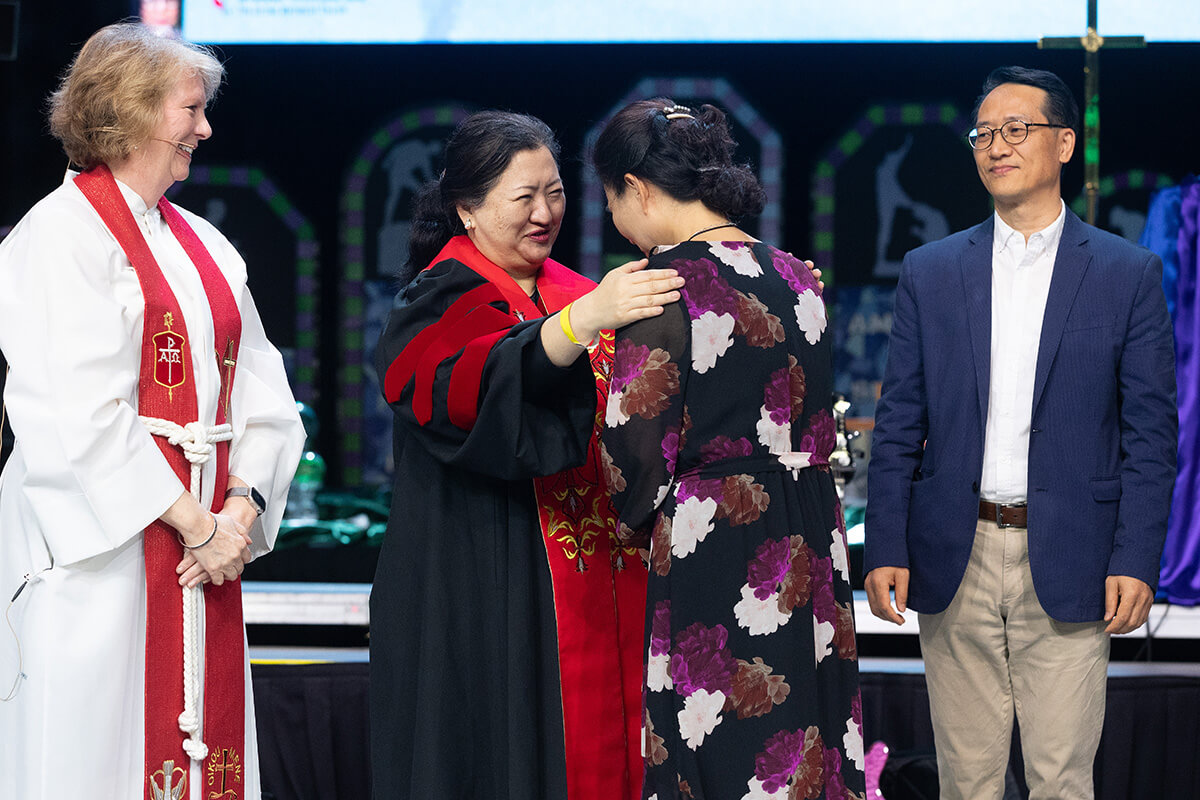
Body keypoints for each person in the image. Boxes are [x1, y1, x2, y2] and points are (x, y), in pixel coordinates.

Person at [0, 23, 305, 800]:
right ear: (131, 112)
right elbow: (76, 417)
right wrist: (199, 527)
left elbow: (263, 394)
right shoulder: (56, 238)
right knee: (96, 760)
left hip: (204, 554)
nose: (205, 128)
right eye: (191, 109)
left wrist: (239, 511)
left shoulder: (204, 242)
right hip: (105, 567)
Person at [864, 66, 1177, 800]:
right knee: (966, 782)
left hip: (1072, 553)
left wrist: (1136, 555)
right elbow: (901, 419)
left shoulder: (1126, 273)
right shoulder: (931, 271)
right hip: (955, 549)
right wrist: (886, 544)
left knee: (1061, 780)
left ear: (1064, 143)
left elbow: (1151, 435)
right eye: (983, 133)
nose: (996, 146)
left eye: (1017, 130)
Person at [371, 110, 685, 800]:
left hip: (609, 575)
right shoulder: (440, 299)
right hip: (491, 583)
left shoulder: (585, 294)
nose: (546, 213)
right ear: (467, 210)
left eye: (556, 192)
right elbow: (465, 388)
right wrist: (573, 327)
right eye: (524, 198)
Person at [594, 99, 865, 800]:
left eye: (611, 202)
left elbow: (633, 453)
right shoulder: (799, 276)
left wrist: (634, 515)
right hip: (809, 528)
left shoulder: (662, 284)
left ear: (639, 188)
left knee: (717, 744)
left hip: (716, 543)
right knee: (809, 734)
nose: (616, 223)